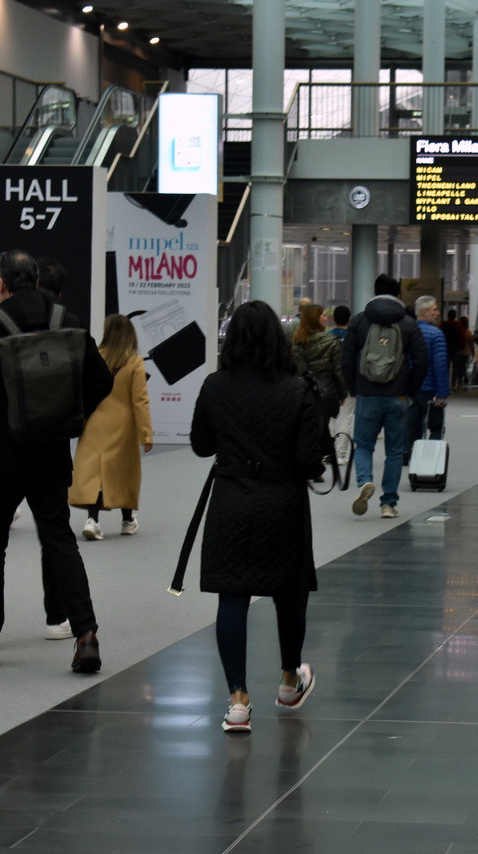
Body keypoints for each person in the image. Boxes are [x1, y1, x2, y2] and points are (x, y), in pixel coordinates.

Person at [0, 249, 113, 672]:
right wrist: (72, 418)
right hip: (50, 451)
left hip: (1, 456)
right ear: (37, 281)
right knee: (59, 540)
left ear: (1, 284)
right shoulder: (66, 320)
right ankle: (86, 635)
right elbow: (101, 380)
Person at [190, 301, 328, 733]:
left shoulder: (215, 385)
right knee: (289, 592)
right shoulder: (297, 388)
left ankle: (237, 700)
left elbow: (201, 445)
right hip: (282, 501)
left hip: (231, 498)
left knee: (232, 595)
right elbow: (308, 458)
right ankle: (289, 680)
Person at [341, 274, 428, 519]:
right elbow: (421, 361)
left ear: (375, 291)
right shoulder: (408, 323)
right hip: (397, 394)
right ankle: (388, 503)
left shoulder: (359, 321)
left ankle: (365, 481)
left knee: (364, 444)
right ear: (398, 293)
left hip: (367, 393)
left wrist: (354, 387)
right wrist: (410, 390)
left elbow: (346, 358)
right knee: (395, 451)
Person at [69, 314, 153, 541]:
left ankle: (93, 520)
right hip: (123, 427)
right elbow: (140, 401)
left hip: (94, 422)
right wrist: (146, 434)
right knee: (125, 472)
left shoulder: (94, 356)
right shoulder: (134, 362)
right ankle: (127, 520)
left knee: (95, 473)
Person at [291, 302, 348, 478]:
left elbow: (294, 370)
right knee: (322, 427)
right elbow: (337, 370)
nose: (325, 318)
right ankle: (316, 464)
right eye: (322, 315)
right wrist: (342, 392)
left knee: (304, 428)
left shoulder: (295, 341)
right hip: (325, 392)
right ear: (315, 319)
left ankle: (307, 462)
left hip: (301, 391)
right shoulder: (331, 342)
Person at [406, 296, 449, 460]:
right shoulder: (436, 334)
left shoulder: (407, 332)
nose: (437, 313)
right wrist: (442, 392)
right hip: (430, 390)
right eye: (434, 309)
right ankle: (431, 458)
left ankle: (408, 453)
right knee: (435, 426)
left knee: (412, 425)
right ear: (424, 312)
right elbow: (440, 364)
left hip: (410, 390)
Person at [327, 305, 355, 465]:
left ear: (334, 319)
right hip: (348, 382)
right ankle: (340, 454)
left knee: (330, 417)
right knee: (346, 416)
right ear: (349, 319)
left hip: (329, 382)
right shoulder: (353, 337)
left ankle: (328, 451)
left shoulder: (327, 337)